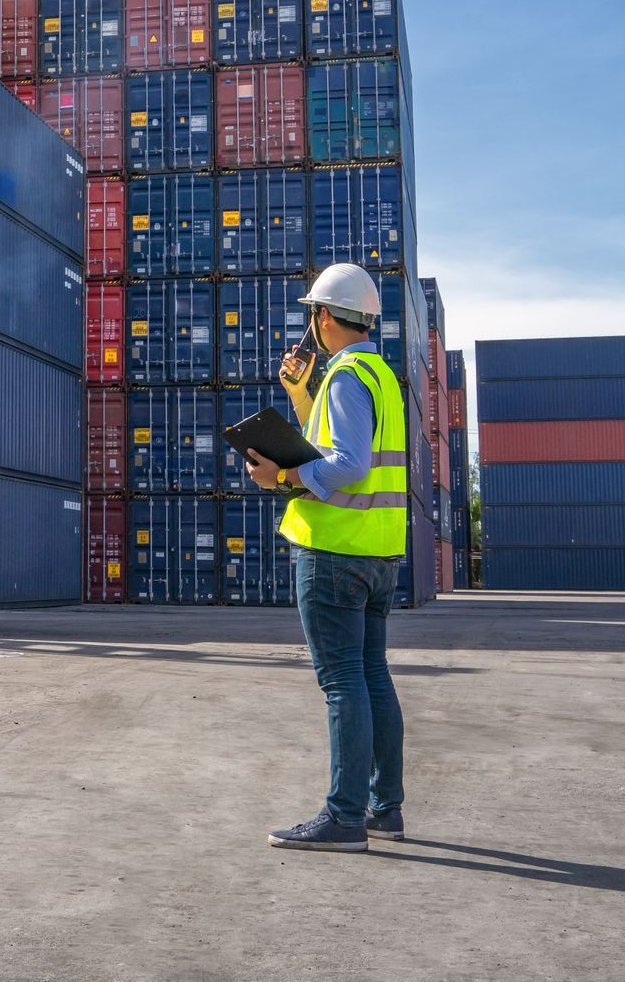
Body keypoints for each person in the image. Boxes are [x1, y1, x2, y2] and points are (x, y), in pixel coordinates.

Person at [242, 263, 408, 853]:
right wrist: (298, 394)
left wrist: (280, 473)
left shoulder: (344, 375)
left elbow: (347, 465)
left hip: (334, 550)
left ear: (321, 318)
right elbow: (344, 445)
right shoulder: (377, 373)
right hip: (378, 549)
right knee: (370, 677)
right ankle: (384, 808)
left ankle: (344, 818)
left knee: (342, 683)